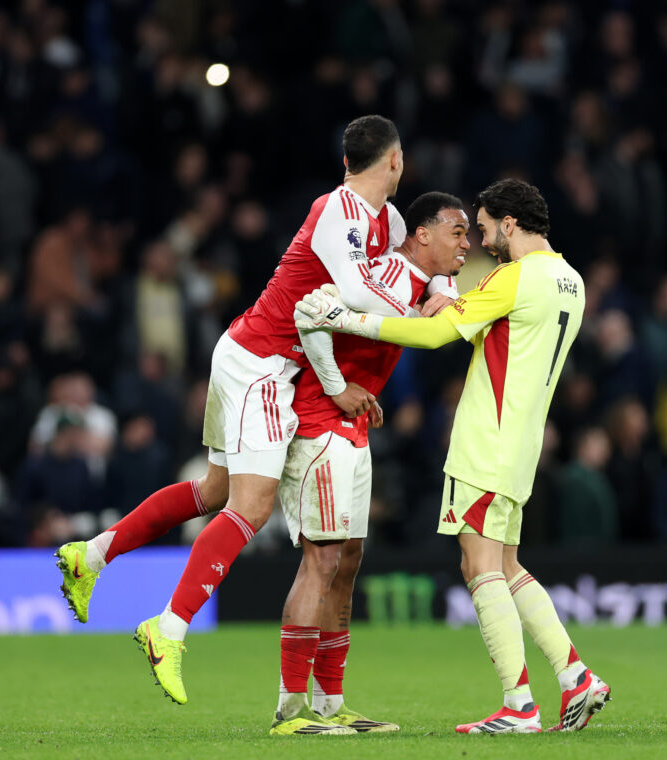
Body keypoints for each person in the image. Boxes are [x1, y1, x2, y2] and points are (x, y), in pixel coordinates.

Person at [53, 115, 442, 720]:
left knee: (212, 492)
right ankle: (170, 630)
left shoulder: (387, 222)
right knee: (251, 506)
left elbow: (399, 278)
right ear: (394, 161)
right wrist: (427, 319)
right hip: (262, 362)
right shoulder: (334, 213)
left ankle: (91, 555)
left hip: (252, 354)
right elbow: (361, 297)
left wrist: (433, 291)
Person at [296, 178, 610, 734]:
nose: (482, 239)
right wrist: (456, 303)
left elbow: (437, 335)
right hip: (523, 442)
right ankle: (574, 675)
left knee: (479, 566)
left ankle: (519, 705)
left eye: (485, 226)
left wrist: (347, 321)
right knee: (508, 565)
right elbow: (491, 328)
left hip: (486, 441)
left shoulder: (514, 277)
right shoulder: (571, 280)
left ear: (510, 224)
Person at [272, 191, 468, 734]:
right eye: (456, 232)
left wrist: (443, 288)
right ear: (422, 234)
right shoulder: (377, 275)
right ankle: (289, 709)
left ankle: (332, 704)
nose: (466, 243)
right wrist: (336, 389)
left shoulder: (422, 282)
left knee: (349, 560)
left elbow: (435, 289)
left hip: (353, 428)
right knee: (322, 561)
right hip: (317, 425)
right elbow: (309, 312)